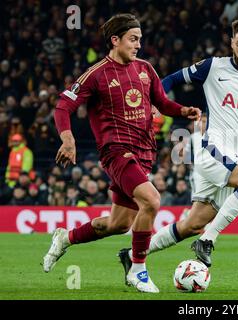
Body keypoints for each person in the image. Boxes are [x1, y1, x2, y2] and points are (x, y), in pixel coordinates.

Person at [42, 13, 201, 293]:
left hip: (143, 151)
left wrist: (183, 110)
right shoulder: (97, 74)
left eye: (140, 39)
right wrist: (68, 140)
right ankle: (137, 269)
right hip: (116, 152)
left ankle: (65, 239)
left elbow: (162, 103)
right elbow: (62, 106)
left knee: (118, 224)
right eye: (133, 39)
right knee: (151, 200)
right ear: (115, 40)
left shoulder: (145, 68)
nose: (138, 44)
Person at [118, 17, 238, 273]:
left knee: (192, 224)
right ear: (232, 42)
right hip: (213, 149)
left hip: (234, 155)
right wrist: (155, 102)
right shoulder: (212, 67)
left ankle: (133, 255)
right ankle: (207, 241)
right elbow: (171, 80)